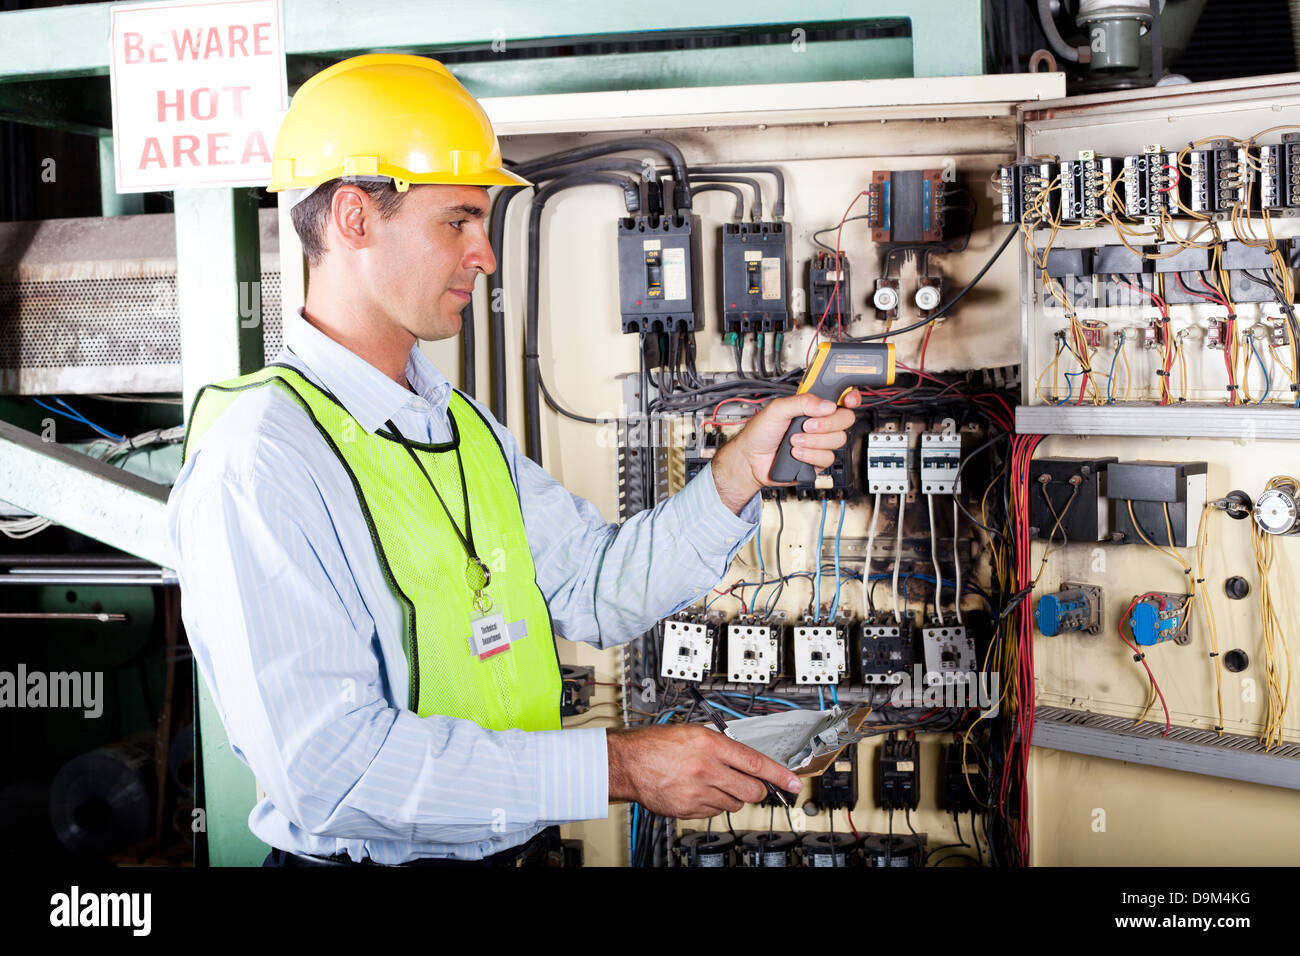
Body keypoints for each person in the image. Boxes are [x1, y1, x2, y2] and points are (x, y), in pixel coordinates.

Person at [168, 53, 859, 867]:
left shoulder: (457, 425)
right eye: (457, 220)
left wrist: (741, 469)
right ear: (354, 218)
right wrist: (621, 766)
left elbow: (595, 590)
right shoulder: (261, 461)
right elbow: (332, 773)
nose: (485, 254)